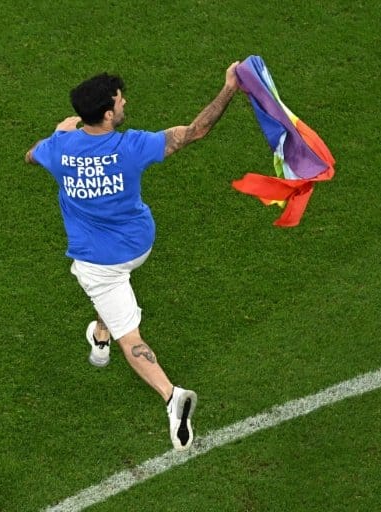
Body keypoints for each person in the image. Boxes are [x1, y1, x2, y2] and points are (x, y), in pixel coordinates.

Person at [24, 62, 239, 451]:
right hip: (137, 247)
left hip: (100, 264)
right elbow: (196, 131)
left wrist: (66, 130)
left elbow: (31, 155)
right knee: (119, 320)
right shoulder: (131, 146)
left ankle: (169, 394)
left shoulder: (58, 149)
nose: (124, 104)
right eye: (120, 101)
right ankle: (118, 352)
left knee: (129, 330)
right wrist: (229, 89)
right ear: (107, 114)